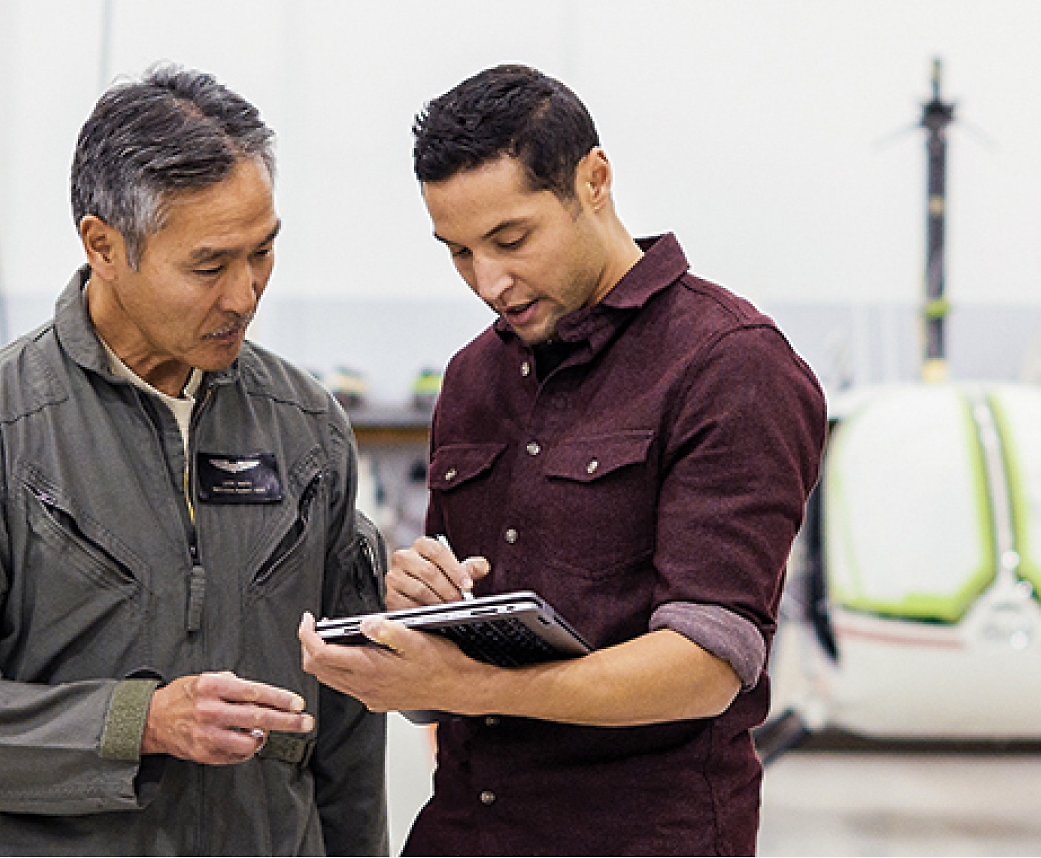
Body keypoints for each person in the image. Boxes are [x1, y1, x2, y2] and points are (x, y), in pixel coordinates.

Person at [300, 64, 826, 855]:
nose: (490, 282)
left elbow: (707, 664)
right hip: (466, 831)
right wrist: (417, 611)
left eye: (512, 240)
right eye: (459, 253)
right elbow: (447, 675)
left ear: (595, 180)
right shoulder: (474, 375)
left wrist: (460, 683)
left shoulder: (730, 365)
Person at [0, 64, 388, 856]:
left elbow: (347, 724)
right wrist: (135, 724)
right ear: (103, 245)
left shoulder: (307, 429)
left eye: (263, 253)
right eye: (210, 265)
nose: (246, 294)